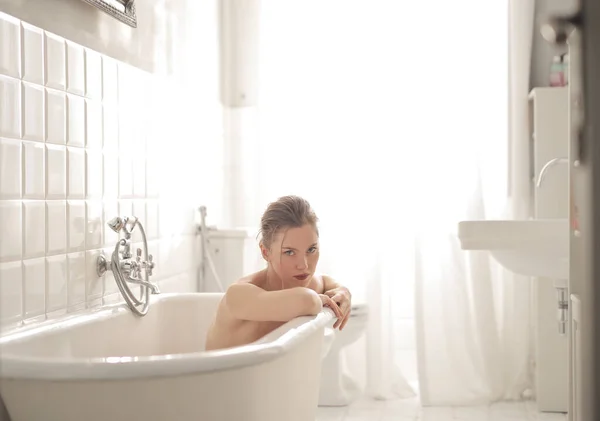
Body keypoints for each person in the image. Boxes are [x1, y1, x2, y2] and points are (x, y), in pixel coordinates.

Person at [205, 195, 352, 351]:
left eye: (311, 249)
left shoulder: (310, 283)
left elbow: (325, 280)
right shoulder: (238, 294)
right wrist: (321, 297)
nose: (303, 265)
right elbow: (308, 301)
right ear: (266, 252)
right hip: (216, 375)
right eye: (289, 252)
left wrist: (343, 290)